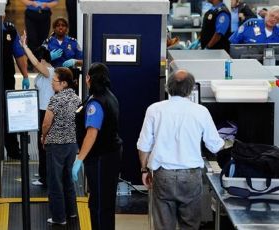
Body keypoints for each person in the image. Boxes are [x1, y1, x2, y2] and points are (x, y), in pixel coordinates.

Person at [136, 70, 225, 230]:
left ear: (168, 87)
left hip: (163, 176)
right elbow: (215, 145)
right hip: (191, 177)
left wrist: (144, 170)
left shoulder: (154, 110)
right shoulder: (201, 111)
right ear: (191, 89)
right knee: (190, 225)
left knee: (163, 225)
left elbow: (143, 145)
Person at [72, 63, 123, 230]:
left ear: (88, 79)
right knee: (105, 202)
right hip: (111, 154)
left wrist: (79, 159)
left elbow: (92, 133)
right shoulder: (109, 96)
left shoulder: (96, 103)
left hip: (101, 158)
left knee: (99, 204)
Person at [41, 67, 81, 225]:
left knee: (55, 182)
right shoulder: (77, 98)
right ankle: (71, 212)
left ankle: (58, 217)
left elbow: (46, 123)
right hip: (71, 145)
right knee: (68, 180)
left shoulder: (55, 100)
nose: (52, 84)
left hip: (56, 145)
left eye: (54, 81)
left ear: (64, 83)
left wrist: (44, 137)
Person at [20, 31, 55, 186]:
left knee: (45, 144)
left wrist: (24, 46)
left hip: (47, 112)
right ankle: (43, 173)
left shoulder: (50, 72)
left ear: (42, 60)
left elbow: (34, 62)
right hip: (40, 111)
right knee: (41, 145)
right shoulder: (43, 75)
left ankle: (46, 178)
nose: (34, 66)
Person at [3, 19, 29, 159]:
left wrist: (25, 76)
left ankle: (13, 150)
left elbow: (19, 55)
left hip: (6, 79)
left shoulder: (10, 30)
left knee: (9, 114)